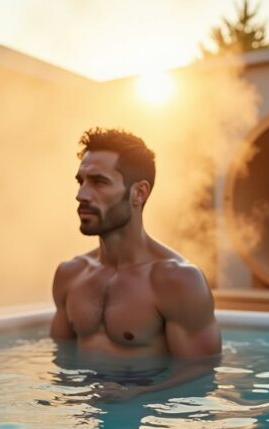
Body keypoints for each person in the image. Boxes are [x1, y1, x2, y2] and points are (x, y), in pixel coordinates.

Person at [51, 128, 221, 366]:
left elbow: (199, 376)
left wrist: (136, 397)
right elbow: (61, 361)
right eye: (81, 181)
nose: (81, 194)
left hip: (143, 401)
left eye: (99, 182)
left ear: (139, 193)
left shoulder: (178, 280)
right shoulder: (70, 275)